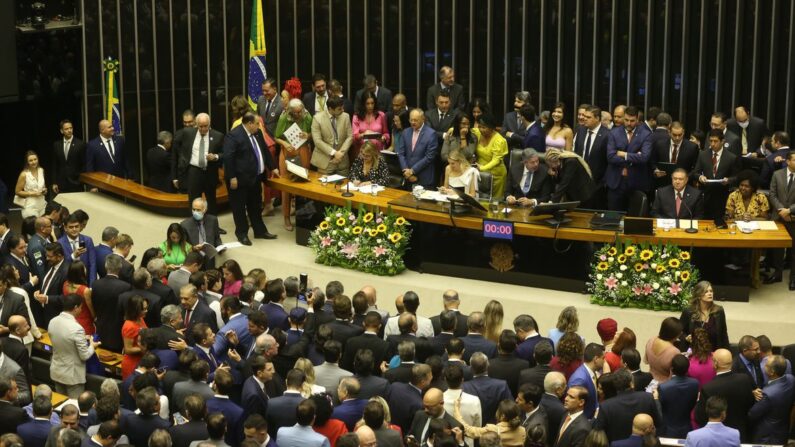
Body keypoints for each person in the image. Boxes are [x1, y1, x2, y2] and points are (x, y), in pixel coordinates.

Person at [224, 112, 279, 245]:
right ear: (249, 124)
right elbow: (228, 157)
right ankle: (242, 234)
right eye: (257, 123)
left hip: (256, 178)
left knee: (255, 206)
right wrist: (232, 177)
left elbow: (264, 150)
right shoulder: (234, 136)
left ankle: (260, 231)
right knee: (239, 208)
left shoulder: (258, 133)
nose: (259, 126)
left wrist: (273, 167)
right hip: (239, 179)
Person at [48, 294, 99, 398]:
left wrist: (82, 338)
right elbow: (84, 355)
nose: (81, 310)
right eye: (81, 307)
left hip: (57, 372)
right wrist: (92, 346)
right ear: (75, 308)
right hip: (72, 377)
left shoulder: (52, 321)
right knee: (74, 408)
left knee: (61, 406)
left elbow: (64, 338)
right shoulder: (77, 329)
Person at [275, 99, 312, 231]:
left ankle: (303, 216)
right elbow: (276, 136)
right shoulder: (284, 117)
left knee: (302, 183)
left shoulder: (307, 116)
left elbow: (313, 134)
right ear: (290, 111)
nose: (297, 114)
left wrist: (307, 135)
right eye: (295, 113)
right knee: (286, 186)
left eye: (299, 112)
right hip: (287, 151)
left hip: (303, 151)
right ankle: (286, 217)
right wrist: (284, 144)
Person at [605, 106, 652, 211]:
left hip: (636, 182)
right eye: (626, 120)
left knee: (634, 219)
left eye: (632, 121)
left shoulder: (646, 134)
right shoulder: (614, 133)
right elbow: (611, 157)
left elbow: (644, 157)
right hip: (616, 182)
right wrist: (635, 156)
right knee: (613, 217)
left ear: (637, 120)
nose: (628, 123)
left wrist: (624, 154)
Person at [690, 129, 741, 219]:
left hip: (722, 196)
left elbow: (737, 177)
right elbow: (695, 173)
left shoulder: (731, 157)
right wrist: (700, 177)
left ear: (722, 141)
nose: (712, 144)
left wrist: (728, 180)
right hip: (705, 196)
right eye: (711, 141)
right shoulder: (703, 155)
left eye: (715, 141)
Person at [768, 151, 795, 288]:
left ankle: (793, 278)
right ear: (788, 161)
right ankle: (777, 274)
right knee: (777, 248)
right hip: (778, 216)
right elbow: (772, 194)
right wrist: (781, 210)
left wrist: (789, 210)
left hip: (793, 217)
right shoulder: (777, 174)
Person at [679, 281, 729, 350]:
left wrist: (727, 352)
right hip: (693, 351)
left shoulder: (719, 311)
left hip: (714, 352)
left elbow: (724, 334)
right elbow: (679, 332)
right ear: (698, 295)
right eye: (706, 292)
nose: (710, 294)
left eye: (711, 291)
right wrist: (686, 338)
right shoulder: (688, 312)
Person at [396, 108, 439, 190]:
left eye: (415, 120)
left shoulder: (431, 134)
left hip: (424, 178)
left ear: (423, 119)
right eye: (411, 120)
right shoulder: (405, 132)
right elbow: (401, 153)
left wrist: (412, 171)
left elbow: (429, 157)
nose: (413, 122)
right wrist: (406, 172)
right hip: (408, 177)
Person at [311, 96, 353, 176]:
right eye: (339, 109)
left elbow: (350, 136)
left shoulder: (346, 116)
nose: (342, 110)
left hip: (342, 162)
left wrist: (340, 154)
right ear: (330, 109)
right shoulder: (317, 118)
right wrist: (334, 153)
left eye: (342, 108)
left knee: (343, 187)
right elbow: (317, 141)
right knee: (324, 188)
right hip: (326, 162)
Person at [471, 114, 509, 199]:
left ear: (492, 128)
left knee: (495, 202)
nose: (481, 129)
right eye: (480, 126)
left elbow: (496, 160)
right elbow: (466, 129)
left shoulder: (499, 140)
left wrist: (482, 168)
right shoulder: (478, 133)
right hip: (480, 173)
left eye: (484, 127)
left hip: (496, 175)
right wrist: (452, 129)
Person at [52, 119, 86, 195]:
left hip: (76, 184)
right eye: (66, 129)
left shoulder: (80, 144)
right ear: (61, 131)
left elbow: (84, 165)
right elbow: (55, 165)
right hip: (61, 185)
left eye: (71, 128)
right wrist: (54, 182)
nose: (69, 130)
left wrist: (80, 181)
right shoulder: (57, 145)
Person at [644, 317, 682, 383]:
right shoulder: (674, 352)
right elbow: (676, 375)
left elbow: (646, 361)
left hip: (650, 380)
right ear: (675, 335)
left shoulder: (651, 340)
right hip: (665, 385)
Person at [353, 90, 390, 156]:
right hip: (362, 153)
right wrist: (364, 134)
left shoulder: (381, 115)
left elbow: (386, 133)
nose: (370, 106)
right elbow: (355, 136)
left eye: (372, 103)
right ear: (363, 104)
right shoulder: (357, 116)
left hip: (377, 152)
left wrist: (384, 138)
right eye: (367, 103)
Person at [62, 261, 94, 336]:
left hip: (70, 322)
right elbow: (92, 310)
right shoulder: (85, 290)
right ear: (80, 273)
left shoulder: (65, 284)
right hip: (85, 324)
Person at [121, 295, 148, 379]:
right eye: (143, 309)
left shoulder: (140, 319)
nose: (146, 311)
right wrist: (145, 347)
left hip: (141, 360)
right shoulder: (129, 326)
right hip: (132, 364)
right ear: (135, 310)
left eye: (147, 308)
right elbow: (128, 349)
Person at [15, 151, 47, 218]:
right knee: (32, 227)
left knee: (43, 226)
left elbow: (43, 186)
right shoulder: (24, 174)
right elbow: (17, 191)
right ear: (27, 162)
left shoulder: (41, 170)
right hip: (30, 205)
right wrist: (32, 194)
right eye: (31, 160)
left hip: (42, 204)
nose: (34, 162)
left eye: (35, 159)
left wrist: (44, 190)